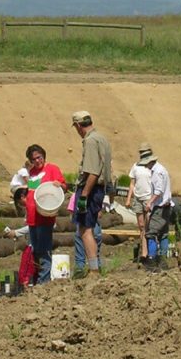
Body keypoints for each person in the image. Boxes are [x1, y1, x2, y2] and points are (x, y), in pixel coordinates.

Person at [70, 110, 111, 276]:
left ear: (79, 126)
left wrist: (84, 196)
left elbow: (93, 172)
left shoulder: (90, 141)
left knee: (85, 229)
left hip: (90, 189)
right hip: (99, 189)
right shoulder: (102, 138)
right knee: (89, 228)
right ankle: (95, 266)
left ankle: (94, 269)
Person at [22, 144, 66, 285]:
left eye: (39, 157)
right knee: (35, 250)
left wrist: (59, 185)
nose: (37, 161)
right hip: (32, 217)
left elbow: (64, 186)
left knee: (44, 250)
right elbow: (31, 193)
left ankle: (44, 282)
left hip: (44, 216)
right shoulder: (32, 173)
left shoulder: (52, 169)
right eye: (33, 159)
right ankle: (35, 278)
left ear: (43, 156)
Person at [140, 148, 174, 272]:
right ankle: (163, 260)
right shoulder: (160, 170)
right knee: (163, 234)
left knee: (151, 234)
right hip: (165, 206)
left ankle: (152, 260)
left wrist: (149, 202)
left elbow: (158, 191)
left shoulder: (157, 172)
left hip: (160, 207)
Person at [125, 142, 154, 261]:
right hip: (138, 198)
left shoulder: (152, 167)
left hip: (148, 198)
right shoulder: (135, 166)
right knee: (141, 226)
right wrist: (128, 199)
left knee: (149, 225)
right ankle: (144, 252)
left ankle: (152, 252)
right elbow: (132, 184)